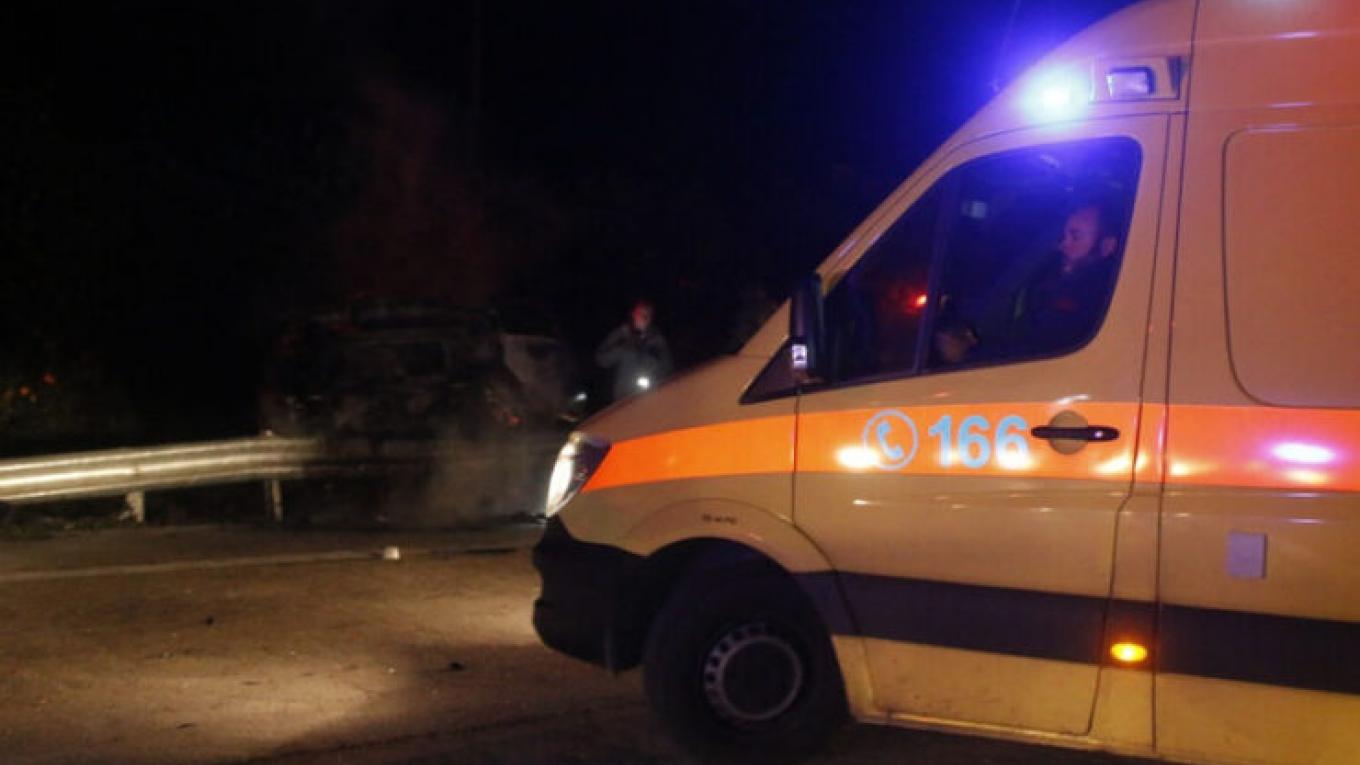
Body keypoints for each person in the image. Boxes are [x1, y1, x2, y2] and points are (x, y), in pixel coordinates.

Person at [596, 299, 673, 402]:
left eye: (648, 314)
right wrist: (623, 347)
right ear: (633, 314)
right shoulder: (620, 335)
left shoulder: (657, 340)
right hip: (623, 399)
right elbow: (601, 359)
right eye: (640, 313)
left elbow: (667, 368)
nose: (644, 317)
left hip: (650, 398)